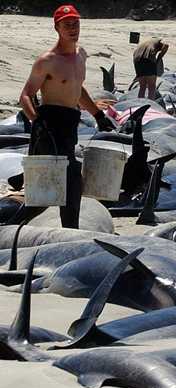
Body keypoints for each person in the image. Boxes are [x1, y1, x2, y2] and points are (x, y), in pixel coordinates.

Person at [19, 4, 116, 229]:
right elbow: (25, 95)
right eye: (67, 25)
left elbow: (77, 89)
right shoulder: (47, 60)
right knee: (55, 187)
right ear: (57, 28)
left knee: (62, 185)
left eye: (76, 24)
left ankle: (65, 230)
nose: (73, 28)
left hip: (69, 124)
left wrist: (98, 115)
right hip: (49, 126)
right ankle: (19, 231)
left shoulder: (80, 55)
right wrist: (36, 120)